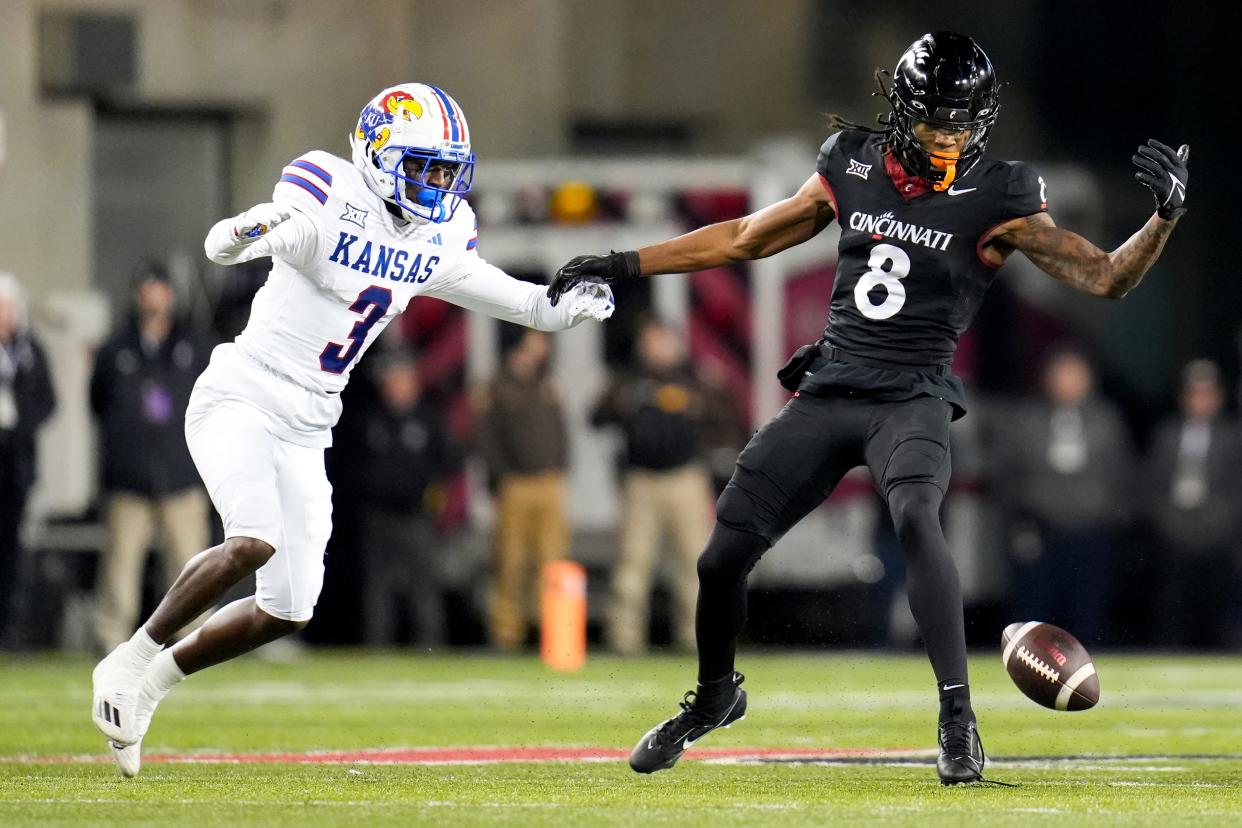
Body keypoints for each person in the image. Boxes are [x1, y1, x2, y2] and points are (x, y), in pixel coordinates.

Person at [547, 31, 1189, 784]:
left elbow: (1106, 277)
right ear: (903, 111)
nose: (948, 137)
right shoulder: (849, 163)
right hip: (829, 390)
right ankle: (715, 697)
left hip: (910, 399)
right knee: (719, 559)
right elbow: (748, 238)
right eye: (935, 121)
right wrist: (627, 262)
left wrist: (1163, 220)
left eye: (962, 122)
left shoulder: (1003, 194)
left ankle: (958, 720)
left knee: (917, 518)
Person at [89, 83, 615, 778]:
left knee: (289, 607)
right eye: (423, 166)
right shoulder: (325, 207)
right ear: (375, 152)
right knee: (253, 539)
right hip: (242, 396)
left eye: (444, 168)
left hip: (309, 427)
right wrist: (255, 229)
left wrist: (569, 306)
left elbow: (521, 303)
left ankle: (154, 684)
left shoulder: (435, 238)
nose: (437, 183)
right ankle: (127, 661)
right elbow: (220, 249)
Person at [90, 262, 211, 653]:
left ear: (170, 294)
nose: (152, 297)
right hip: (130, 478)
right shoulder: (116, 348)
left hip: (181, 474)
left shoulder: (194, 346)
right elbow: (99, 403)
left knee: (189, 567)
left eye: (158, 288)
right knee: (121, 567)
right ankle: (112, 640)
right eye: (145, 289)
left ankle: (193, 640)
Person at [590, 318, 715, 654]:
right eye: (651, 340)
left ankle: (697, 639)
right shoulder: (628, 378)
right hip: (641, 481)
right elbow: (596, 418)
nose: (657, 348)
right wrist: (622, 399)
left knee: (695, 564)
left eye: (663, 340)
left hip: (686, 478)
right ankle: (624, 639)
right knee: (632, 564)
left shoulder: (696, 377)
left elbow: (725, 420)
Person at [999, 347, 1133, 646]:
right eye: (1062, 374)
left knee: (1088, 614)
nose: (1068, 382)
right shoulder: (1027, 419)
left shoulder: (1106, 420)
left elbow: (1121, 475)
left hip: (1090, 534)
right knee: (1034, 614)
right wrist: (1020, 523)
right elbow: (1008, 476)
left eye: (1075, 374)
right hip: (1041, 533)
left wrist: (1105, 516)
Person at [351, 351, 457, 647]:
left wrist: (430, 497)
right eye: (391, 379)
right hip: (378, 515)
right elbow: (351, 465)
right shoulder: (370, 419)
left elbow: (448, 462)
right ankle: (378, 647)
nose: (396, 385)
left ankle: (430, 646)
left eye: (401, 378)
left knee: (423, 585)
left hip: (415, 516)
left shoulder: (428, 418)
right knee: (377, 586)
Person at [474, 329, 571, 651]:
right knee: (510, 563)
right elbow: (484, 438)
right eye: (537, 341)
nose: (543, 348)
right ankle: (507, 636)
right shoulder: (496, 386)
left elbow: (561, 431)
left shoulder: (547, 384)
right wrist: (501, 476)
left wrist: (560, 467)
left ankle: (554, 636)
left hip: (548, 482)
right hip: (515, 484)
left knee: (553, 562)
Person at [1146, 360, 1242, 647]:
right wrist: (1170, 524)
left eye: (1207, 393)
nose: (1200, 401)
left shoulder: (1233, 437)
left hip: (1218, 539)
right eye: (1194, 393)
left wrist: (1218, 523)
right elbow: (1151, 486)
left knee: (1220, 613)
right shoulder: (1166, 435)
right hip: (1175, 537)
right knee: (1171, 610)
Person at [0, 273, 56, 646]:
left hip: (15, 465)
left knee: (10, 548)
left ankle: (7, 628)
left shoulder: (30, 350)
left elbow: (48, 400)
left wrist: (18, 430)